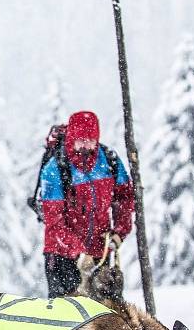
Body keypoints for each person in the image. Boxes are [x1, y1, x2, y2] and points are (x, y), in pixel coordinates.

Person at [39, 110, 134, 298]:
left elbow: (124, 198)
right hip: (62, 256)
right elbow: (54, 220)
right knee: (66, 315)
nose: (85, 146)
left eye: (90, 140)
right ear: (72, 138)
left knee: (103, 316)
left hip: (100, 251)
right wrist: (78, 252)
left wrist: (120, 232)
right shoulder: (55, 169)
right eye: (81, 140)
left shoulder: (109, 161)